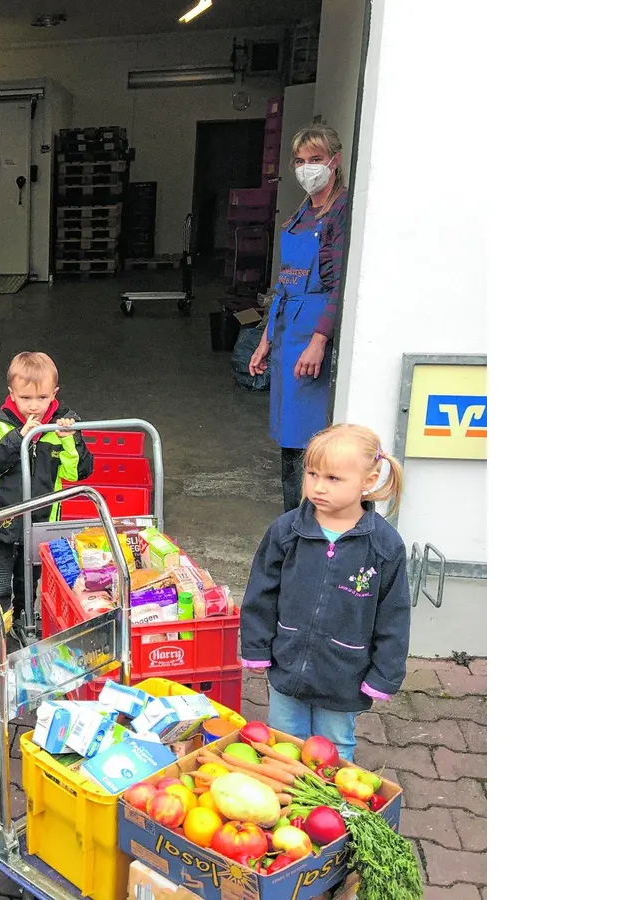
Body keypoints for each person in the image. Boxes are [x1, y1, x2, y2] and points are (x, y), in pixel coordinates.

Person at [238, 424, 411, 763]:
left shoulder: (384, 546)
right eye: (312, 474)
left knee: (334, 747)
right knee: (284, 742)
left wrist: (385, 674)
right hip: (288, 662)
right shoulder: (287, 531)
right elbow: (261, 592)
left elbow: (394, 615)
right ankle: (289, 794)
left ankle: (329, 794)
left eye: (333, 478)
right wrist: (256, 646)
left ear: (368, 480)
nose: (318, 486)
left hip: (345, 673)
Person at [248, 123, 352, 513]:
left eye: (316, 159)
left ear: (334, 161)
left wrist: (320, 340)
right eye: (300, 161)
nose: (307, 168)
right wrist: (266, 338)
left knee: (311, 440)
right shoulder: (302, 213)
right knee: (289, 438)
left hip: (312, 335)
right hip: (287, 335)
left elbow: (340, 285)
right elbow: (285, 282)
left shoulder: (341, 211)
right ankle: (293, 519)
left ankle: (309, 521)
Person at [0, 352, 93, 641]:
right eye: (25, 398)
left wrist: (70, 440)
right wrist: (19, 437)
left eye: (42, 398)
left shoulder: (63, 426)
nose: (34, 406)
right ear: (11, 393)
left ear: (55, 394)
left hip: (41, 522)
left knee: (29, 583)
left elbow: (78, 473)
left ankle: (23, 621)